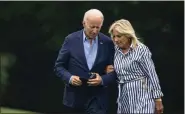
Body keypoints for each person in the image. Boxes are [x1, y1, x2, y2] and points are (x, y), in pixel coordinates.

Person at [54, 9, 116, 114]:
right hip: (74, 98)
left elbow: (115, 71)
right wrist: (70, 78)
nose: (95, 31)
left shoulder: (107, 43)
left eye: (98, 27)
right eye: (92, 27)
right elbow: (59, 67)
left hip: (97, 99)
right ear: (84, 23)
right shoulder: (71, 40)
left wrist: (102, 80)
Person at [108, 19, 164, 114]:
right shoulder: (115, 51)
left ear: (128, 35)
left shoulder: (141, 50)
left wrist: (158, 99)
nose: (116, 39)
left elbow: (152, 75)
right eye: (114, 36)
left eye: (119, 36)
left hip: (142, 95)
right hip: (124, 95)